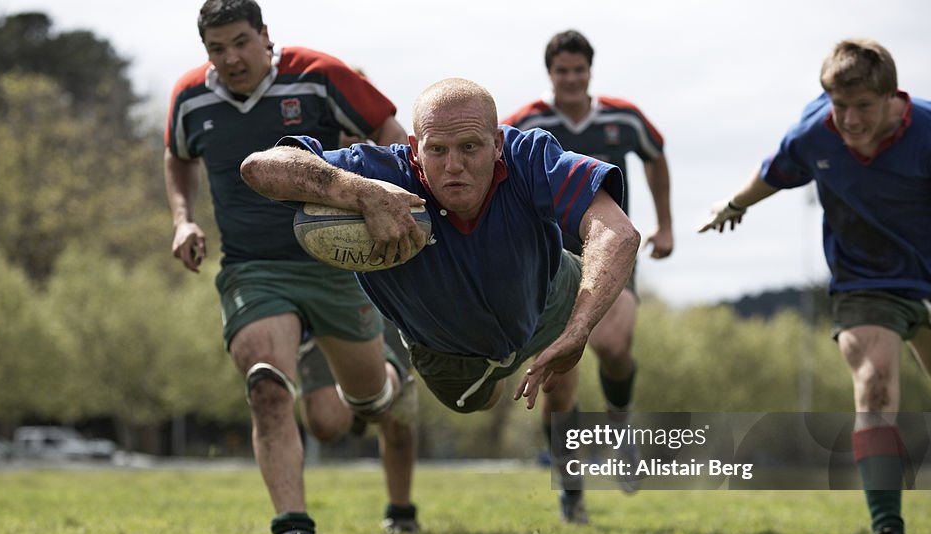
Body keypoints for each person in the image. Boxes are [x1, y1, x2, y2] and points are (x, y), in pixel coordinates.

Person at [164, 0, 420, 534]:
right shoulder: (189, 97)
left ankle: (391, 375)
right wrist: (183, 217)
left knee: (363, 405)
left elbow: (389, 131)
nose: (230, 58)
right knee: (265, 384)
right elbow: (177, 157)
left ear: (264, 36)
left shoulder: (321, 76)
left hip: (337, 265)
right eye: (216, 48)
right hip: (253, 269)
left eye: (240, 43)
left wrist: (402, 208)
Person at [240, 77, 641, 433]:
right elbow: (259, 168)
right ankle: (390, 386)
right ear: (415, 148)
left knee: (613, 310)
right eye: (437, 150)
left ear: (497, 143)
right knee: (481, 403)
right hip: (451, 353)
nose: (454, 166)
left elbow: (618, 233)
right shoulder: (378, 173)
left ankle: (605, 436)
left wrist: (578, 329)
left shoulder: (528, 156)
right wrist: (360, 193)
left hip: (550, 290)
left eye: (470, 147)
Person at [700, 38, 931, 534]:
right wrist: (733, 204)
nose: (848, 119)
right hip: (863, 283)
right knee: (874, 383)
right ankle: (887, 531)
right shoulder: (815, 131)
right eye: (839, 106)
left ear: (893, 97)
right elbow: (775, 170)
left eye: (863, 106)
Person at [502, 30, 674, 522]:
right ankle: (570, 489)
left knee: (615, 348)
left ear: (589, 72)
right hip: (548, 263)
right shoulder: (527, 123)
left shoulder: (623, 117)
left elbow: (656, 154)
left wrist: (666, 224)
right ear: (550, 74)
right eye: (562, 72)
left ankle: (620, 430)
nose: (572, 79)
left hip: (608, 254)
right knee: (559, 382)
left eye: (579, 70)